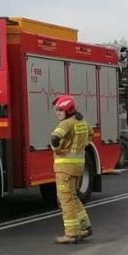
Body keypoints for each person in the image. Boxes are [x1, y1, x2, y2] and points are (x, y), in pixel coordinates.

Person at [50, 95, 92, 244]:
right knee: (73, 196)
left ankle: (72, 233)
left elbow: (54, 138)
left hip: (64, 168)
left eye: (60, 110)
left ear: (68, 111)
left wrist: (58, 149)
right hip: (78, 166)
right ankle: (84, 225)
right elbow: (90, 135)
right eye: (57, 110)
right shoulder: (82, 122)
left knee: (65, 200)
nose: (57, 113)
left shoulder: (66, 124)